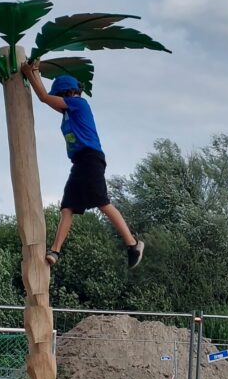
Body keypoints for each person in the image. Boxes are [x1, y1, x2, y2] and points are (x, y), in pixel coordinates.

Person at [21, 60, 144, 269]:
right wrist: (32, 75)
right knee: (67, 207)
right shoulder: (69, 111)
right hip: (79, 162)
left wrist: (32, 73)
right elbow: (47, 99)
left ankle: (133, 244)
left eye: (58, 95)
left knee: (102, 202)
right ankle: (55, 251)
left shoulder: (79, 103)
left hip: (91, 158)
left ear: (66, 93)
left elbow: (43, 97)